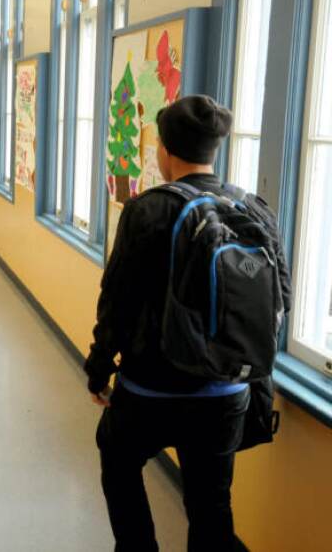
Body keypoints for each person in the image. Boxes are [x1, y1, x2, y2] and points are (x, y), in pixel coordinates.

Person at [83, 95, 291, 551]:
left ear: (164, 149)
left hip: (150, 390)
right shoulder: (255, 209)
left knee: (118, 460)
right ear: (214, 147)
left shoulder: (148, 210)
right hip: (227, 394)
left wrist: (98, 370)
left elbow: (116, 301)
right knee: (211, 503)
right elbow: (282, 298)